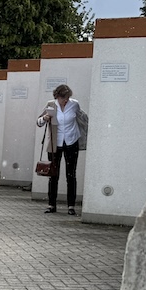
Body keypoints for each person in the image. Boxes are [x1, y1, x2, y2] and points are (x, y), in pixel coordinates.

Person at [37, 83, 89, 214]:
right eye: (63, 98)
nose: (65, 100)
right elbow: (38, 122)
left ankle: (71, 206)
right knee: (53, 174)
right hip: (55, 144)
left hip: (72, 141)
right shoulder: (51, 105)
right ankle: (51, 205)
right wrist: (45, 118)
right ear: (57, 96)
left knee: (71, 175)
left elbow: (82, 118)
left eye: (67, 97)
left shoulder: (74, 104)